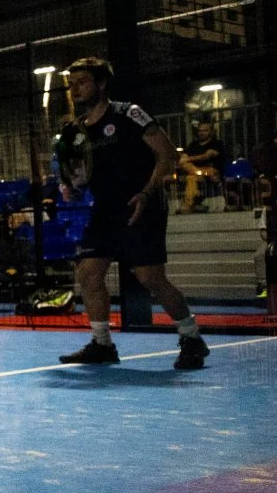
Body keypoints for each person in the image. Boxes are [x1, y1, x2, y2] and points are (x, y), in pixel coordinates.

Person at [53, 57, 208, 369]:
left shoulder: (128, 113)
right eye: (71, 85)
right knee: (88, 273)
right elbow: (78, 172)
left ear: (101, 83)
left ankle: (192, 338)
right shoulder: (78, 131)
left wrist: (148, 191)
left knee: (150, 277)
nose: (75, 90)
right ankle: (102, 344)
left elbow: (166, 154)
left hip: (142, 203)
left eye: (82, 82)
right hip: (106, 209)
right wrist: (69, 185)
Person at [176, 119, 224, 213]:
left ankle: (188, 204)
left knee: (191, 174)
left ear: (210, 131)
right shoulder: (193, 145)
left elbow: (206, 156)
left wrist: (189, 160)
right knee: (190, 176)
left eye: (205, 131)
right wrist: (194, 168)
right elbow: (182, 160)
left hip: (210, 170)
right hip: (196, 173)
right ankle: (190, 204)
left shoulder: (216, 143)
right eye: (200, 131)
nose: (202, 133)